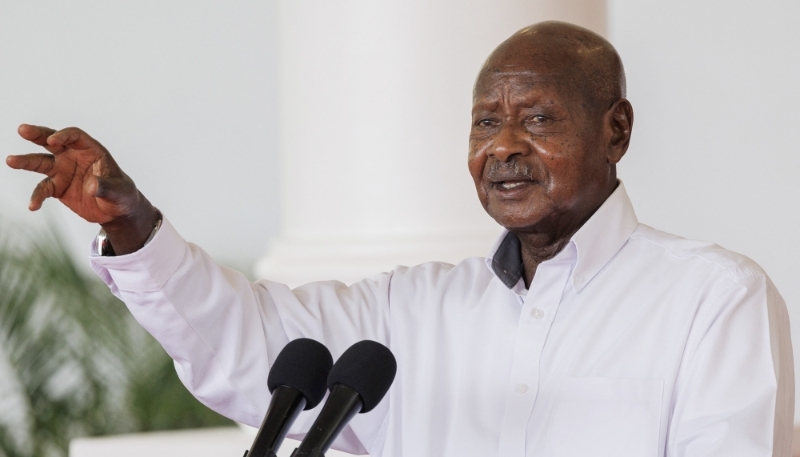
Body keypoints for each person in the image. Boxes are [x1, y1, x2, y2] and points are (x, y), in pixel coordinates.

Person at [6, 21, 793, 457]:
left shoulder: (712, 298)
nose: (504, 145)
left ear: (615, 130)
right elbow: (251, 345)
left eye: (539, 117)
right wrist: (135, 227)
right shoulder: (410, 313)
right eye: (487, 120)